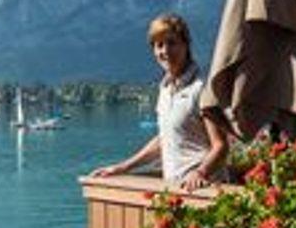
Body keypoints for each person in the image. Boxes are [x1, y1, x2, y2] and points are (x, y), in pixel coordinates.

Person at [90, 13, 227, 191]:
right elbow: (165, 139)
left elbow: (220, 145)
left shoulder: (202, 89)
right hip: (176, 189)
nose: (165, 51)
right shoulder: (165, 89)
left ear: (186, 45)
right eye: (159, 45)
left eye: (172, 43)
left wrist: (200, 172)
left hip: (204, 190)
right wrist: (122, 167)